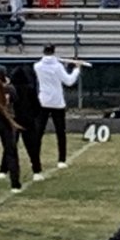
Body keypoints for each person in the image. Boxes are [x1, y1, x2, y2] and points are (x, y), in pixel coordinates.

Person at [33, 45, 80, 173]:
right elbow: (69, 81)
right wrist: (76, 69)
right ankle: (61, 160)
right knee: (60, 132)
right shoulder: (57, 66)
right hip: (57, 102)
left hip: (43, 101)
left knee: (38, 133)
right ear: (54, 52)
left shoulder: (37, 66)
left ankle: (35, 159)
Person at [0, 67, 24, 192]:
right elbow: (16, 100)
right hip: (6, 122)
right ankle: (15, 183)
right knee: (11, 153)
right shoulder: (9, 88)